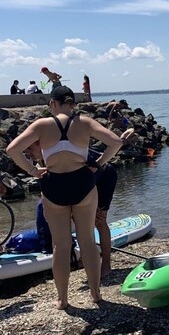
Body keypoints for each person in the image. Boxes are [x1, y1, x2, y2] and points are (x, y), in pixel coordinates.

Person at [6, 86, 124, 310]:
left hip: (54, 186)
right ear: (72, 104)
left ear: (53, 103)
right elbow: (116, 142)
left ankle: (62, 299)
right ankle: (96, 294)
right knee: (87, 241)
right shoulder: (84, 122)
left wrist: (32, 171)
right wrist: (99, 163)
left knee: (60, 245)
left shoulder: (42, 125)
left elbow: (13, 149)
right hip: (82, 184)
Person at [24, 128, 136, 277]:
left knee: (99, 221)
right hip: (82, 182)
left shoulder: (63, 153)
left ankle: (106, 264)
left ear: (41, 144)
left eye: (30, 149)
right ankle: (84, 258)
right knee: (78, 218)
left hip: (103, 176)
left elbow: (88, 176)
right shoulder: (42, 159)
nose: (28, 153)